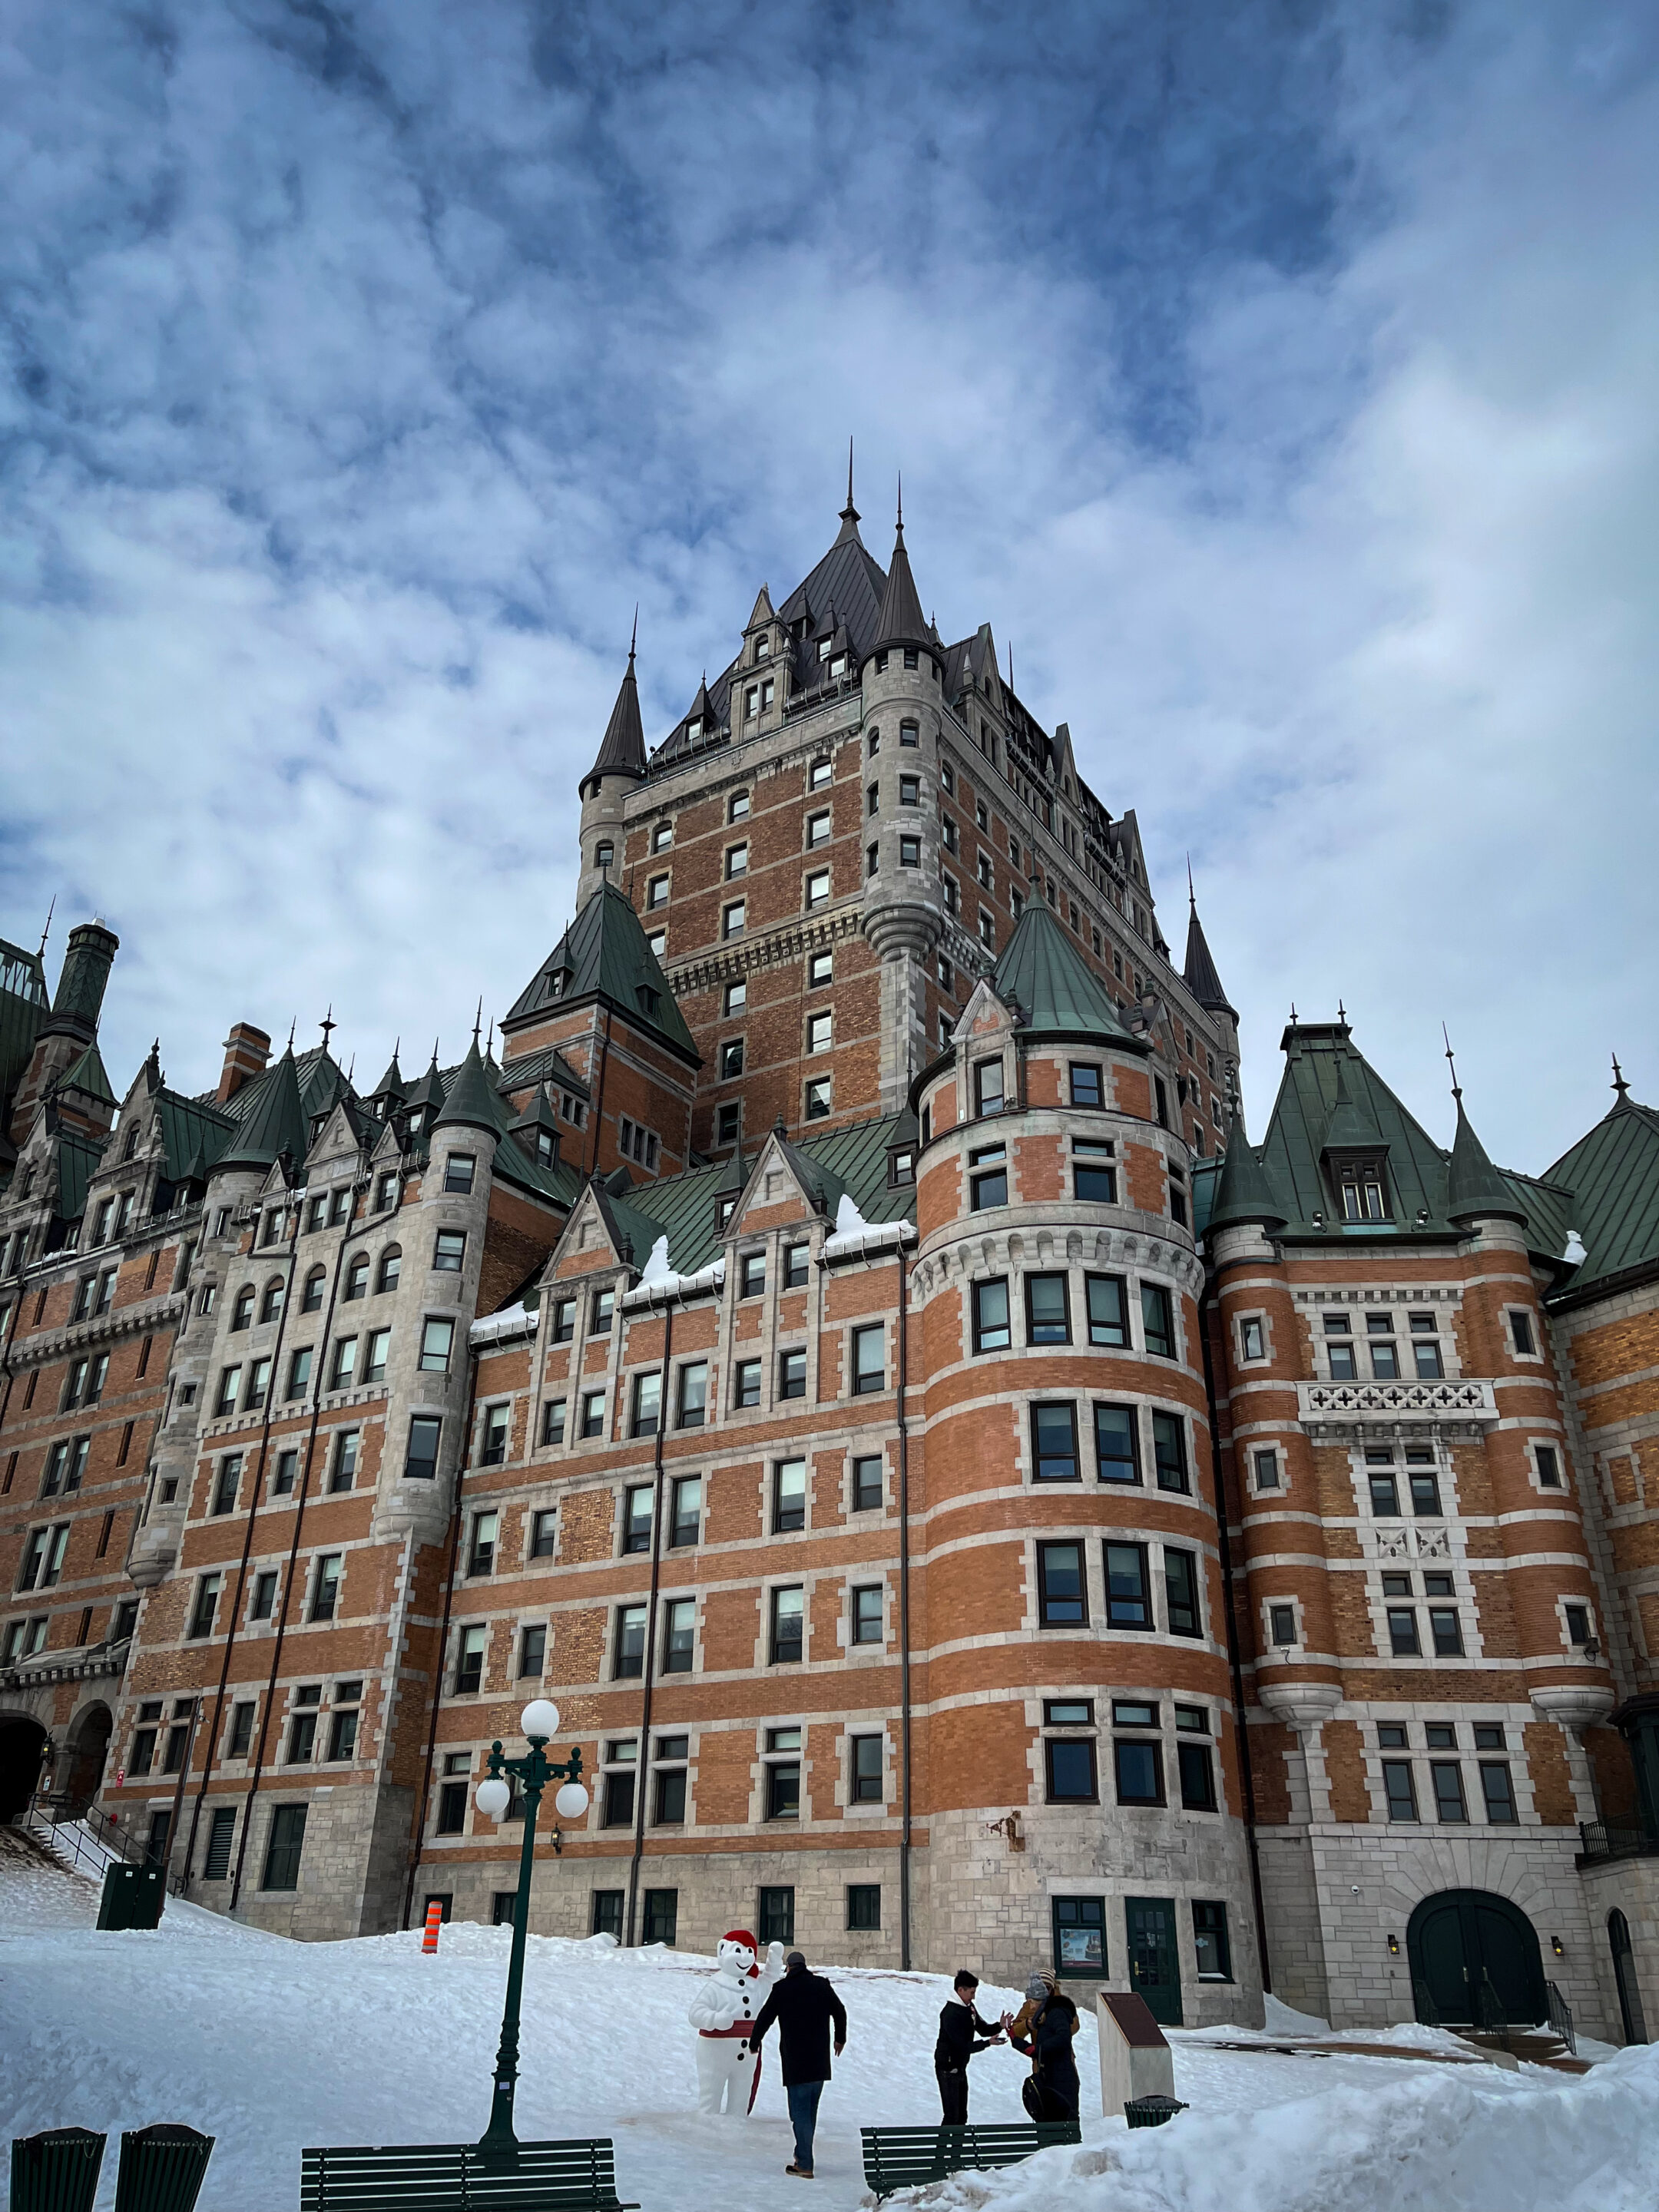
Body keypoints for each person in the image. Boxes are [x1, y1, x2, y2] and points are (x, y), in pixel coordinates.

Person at [750, 1949, 848, 2179]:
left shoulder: (782, 1989)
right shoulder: (822, 1986)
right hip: (820, 2063)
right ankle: (801, 2153)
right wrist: (840, 2039)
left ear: (789, 1967)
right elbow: (840, 2011)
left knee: (799, 2114)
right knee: (810, 2113)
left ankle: (805, 2163)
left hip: (796, 2063)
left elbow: (765, 2017)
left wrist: (755, 2042)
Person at [1003, 1972, 1081, 2121]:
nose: (1031, 2006)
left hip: (1060, 2074)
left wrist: (1038, 2048)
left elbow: (1066, 2034)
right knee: (1047, 2115)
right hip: (1046, 2070)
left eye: (1033, 2001)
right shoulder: (1036, 2010)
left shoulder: (1058, 2009)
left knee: (1062, 2117)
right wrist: (1017, 2038)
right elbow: (1024, 2033)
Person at [933, 1970, 1004, 2124]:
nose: (974, 1997)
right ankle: (943, 2148)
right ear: (960, 1990)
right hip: (948, 2068)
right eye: (971, 1992)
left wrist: (1000, 2026)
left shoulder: (969, 2007)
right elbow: (961, 2046)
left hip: (960, 2066)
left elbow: (982, 2028)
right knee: (952, 2116)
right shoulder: (950, 2013)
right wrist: (987, 2044)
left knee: (961, 2116)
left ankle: (958, 2147)